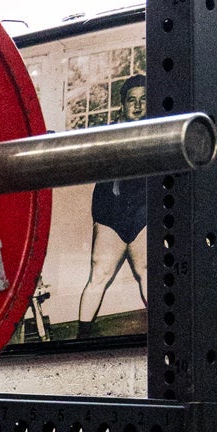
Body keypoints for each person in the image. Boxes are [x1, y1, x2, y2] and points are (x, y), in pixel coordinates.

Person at [77, 74, 148, 326]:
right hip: (111, 216)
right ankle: (80, 339)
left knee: (147, 273)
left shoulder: (158, 134)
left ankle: (167, 333)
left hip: (144, 214)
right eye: (132, 100)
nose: (138, 105)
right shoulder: (108, 134)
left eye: (143, 99)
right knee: (99, 276)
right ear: (123, 105)